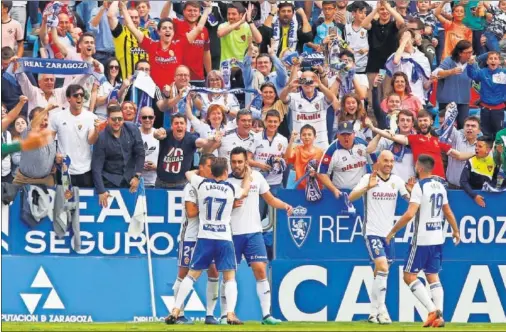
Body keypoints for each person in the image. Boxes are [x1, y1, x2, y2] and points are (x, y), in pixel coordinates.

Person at [165, 157, 251, 325]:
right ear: (226, 172)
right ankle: (230, 313)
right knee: (229, 277)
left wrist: (199, 171)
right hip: (223, 238)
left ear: (211, 172)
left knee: (191, 275)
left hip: (204, 237)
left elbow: (188, 173)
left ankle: (176, 309)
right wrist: (247, 174)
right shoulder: (231, 188)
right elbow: (245, 190)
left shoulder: (202, 184)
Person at [386, 154, 461, 328]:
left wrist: (392, 231)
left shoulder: (420, 186)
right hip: (437, 238)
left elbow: (410, 213)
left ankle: (431, 309)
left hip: (422, 239)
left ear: (419, 168)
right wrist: (455, 230)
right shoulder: (440, 186)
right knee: (432, 276)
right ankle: (440, 316)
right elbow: (447, 211)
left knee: (409, 276)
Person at [225, 147, 293, 325]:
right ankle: (227, 314)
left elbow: (269, 199)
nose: (237, 165)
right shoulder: (226, 181)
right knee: (229, 274)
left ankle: (266, 315)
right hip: (231, 233)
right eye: (234, 162)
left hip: (254, 232)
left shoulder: (257, 177)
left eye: (240, 162)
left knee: (261, 270)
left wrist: (284, 205)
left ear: (246, 161)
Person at [349, 150, 412, 324]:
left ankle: (373, 312)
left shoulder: (396, 181)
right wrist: (367, 187)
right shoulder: (368, 178)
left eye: (391, 161)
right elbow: (351, 197)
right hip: (371, 231)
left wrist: (412, 193)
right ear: (378, 163)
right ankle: (382, 311)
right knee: (383, 267)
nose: (389, 164)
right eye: (386, 161)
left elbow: (409, 200)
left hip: (388, 234)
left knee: (380, 273)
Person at [173, 154, 220, 325]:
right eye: (209, 166)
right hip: (190, 237)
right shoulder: (191, 187)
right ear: (200, 168)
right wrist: (212, 205)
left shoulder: (215, 186)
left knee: (214, 271)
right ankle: (178, 314)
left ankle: (210, 314)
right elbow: (191, 212)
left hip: (208, 236)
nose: (213, 169)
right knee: (183, 273)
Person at [366, 109, 475, 180]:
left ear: (431, 122)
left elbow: (459, 156)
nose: (423, 123)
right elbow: (393, 137)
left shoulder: (438, 141)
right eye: (420, 121)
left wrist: (476, 152)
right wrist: (375, 129)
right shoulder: (414, 138)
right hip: (423, 181)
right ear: (417, 123)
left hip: (440, 180)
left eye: (425, 120)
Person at [92, 104, 145, 207]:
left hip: (130, 180)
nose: (117, 122)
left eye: (120, 119)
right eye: (114, 119)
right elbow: (96, 167)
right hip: (110, 181)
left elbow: (140, 153)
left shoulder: (133, 129)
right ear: (108, 120)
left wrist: (137, 176)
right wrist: (101, 191)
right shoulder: (102, 138)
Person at [50, 85, 100, 187]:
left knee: (85, 201)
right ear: (68, 98)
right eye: (76, 95)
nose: (79, 98)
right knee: (66, 201)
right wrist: (54, 155)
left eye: (82, 95)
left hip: (85, 170)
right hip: (64, 170)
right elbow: (49, 140)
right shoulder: (57, 117)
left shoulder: (91, 117)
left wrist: (96, 131)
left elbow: (91, 141)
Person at [153, 113, 217, 189]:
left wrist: (213, 138)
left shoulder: (190, 138)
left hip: (181, 184)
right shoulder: (166, 134)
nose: (179, 125)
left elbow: (203, 142)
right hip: (161, 183)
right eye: (176, 123)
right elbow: (157, 134)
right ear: (172, 126)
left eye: (181, 123)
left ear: (186, 126)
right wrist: (157, 133)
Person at [280, 70, 339, 149]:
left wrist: (320, 85)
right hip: (299, 144)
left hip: (320, 144)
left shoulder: (322, 96)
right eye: (304, 80)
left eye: (311, 80)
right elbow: (282, 98)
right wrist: (289, 86)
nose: (308, 83)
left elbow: (332, 98)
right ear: (300, 82)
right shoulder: (294, 97)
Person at [362, 0, 405, 103]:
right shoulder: (373, 24)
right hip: (373, 67)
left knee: (387, 97)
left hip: (389, 68)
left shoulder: (394, 25)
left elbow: (402, 22)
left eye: (386, 10)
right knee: (373, 98)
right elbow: (364, 24)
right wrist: (376, 9)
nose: (384, 11)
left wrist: (388, 7)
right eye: (382, 9)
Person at [161, 1, 213, 86]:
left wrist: (210, 73)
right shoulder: (176, 24)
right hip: (179, 77)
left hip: (198, 78)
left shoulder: (204, 30)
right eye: (189, 10)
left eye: (195, 11)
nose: (192, 13)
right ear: (183, 12)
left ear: (199, 13)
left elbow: (206, 53)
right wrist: (170, 1)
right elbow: (163, 18)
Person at [253, 110, 288, 218]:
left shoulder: (283, 140)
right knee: (259, 215)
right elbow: (247, 159)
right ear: (265, 121)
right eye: (270, 121)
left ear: (279, 122)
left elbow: (285, 160)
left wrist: (280, 161)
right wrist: (260, 166)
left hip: (276, 183)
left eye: (275, 122)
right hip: (259, 183)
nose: (272, 124)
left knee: (278, 217)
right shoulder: (255, 137)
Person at [318, 120, 370, 191]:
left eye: (348, 134)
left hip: (361, 191)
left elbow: (375, 162)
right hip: (341, 193)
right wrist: (334, 190)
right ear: (338, 135)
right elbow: (321, 173)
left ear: (354, 134)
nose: (346, 137)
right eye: (343, 134)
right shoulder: (331, 150)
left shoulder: (363, 144)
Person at [432, 40, 473, 128]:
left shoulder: (471, 63)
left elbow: (477, 75)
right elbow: (436, 73)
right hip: (447, 101)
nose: (470, 54)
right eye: (467, 52)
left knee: (463, 126)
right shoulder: (449, 61)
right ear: (460, 53)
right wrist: (451, 71)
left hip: (464, 101)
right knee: (446, 126)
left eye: (471, 52)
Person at [367, 109, 416, 182]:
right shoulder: (389, 138)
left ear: (412, 124)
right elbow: (369, 150)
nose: (405, 123)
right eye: (402, 120)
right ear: (398, 123)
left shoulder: (418, 140)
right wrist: (380, 134)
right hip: (393, 184)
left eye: (408, 120)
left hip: (411, 183)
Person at [466, 51, 506, 140]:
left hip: (498, 109)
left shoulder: (504, 73)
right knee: (485, 134)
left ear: (499, 61)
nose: (493, 61)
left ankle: (498, 153)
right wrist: (470, 64)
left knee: (499, 135)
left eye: (495, 59)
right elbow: (472, 75)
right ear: (487, 61)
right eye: (491, 58)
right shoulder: (482, 72)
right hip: (485, 109)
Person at [387, 29, 431, 105]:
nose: (405, 40)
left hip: (418, 99)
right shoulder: (396, 56)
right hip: (400, 100)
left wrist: (432, 79)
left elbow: (425, 85)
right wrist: (405, 41)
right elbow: (395, 61)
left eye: (408, 37)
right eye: (402, 39)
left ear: (413, 40)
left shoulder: (422, 58)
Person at [107, 1, 149, 80]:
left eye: (136, 17)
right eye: (130, 17)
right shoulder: (121, 32)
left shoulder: (146, 33)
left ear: (139, 19)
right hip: (126, 82)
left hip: (146, 82)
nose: (134, 20)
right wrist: (117, 1)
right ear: (125, 19)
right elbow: (110, 15)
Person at [460, 137, 501, 208]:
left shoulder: (494, 163)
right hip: (470, 199)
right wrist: (474, 196)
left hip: (489, 200)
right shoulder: (471, 161)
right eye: (476, 145)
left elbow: (497, 182)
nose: (476, 148)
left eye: (480, 146)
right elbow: (463, 181)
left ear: (488, 150)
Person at [285, 124, 324, 190]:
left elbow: (323, 172)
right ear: (300, 137)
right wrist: (291, 140)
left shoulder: (320, 152)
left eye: (309, 134)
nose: (306, 137)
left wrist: (316, 174)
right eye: (304, 135)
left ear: (315, 137)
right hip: (300, 188)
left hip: (316, 188)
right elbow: (288, 157)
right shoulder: (297, 149)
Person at [446, 116, 481, 189]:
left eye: (473, 126)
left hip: (470, 189)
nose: (470, 128)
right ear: (463, 128)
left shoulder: (481, 146)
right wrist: (449, 112)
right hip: (451, 186)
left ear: (479, 131)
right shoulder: (456, 137)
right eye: (467, 125)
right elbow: (448, 126)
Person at [139, 107, 159, 188]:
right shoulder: (134, 134)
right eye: (144, 117)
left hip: (155, 182)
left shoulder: (160, 135)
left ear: (154, 118)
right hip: (136, 182)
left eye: (150, 117)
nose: (147, 120)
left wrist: (156, 167)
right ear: (140, 118)